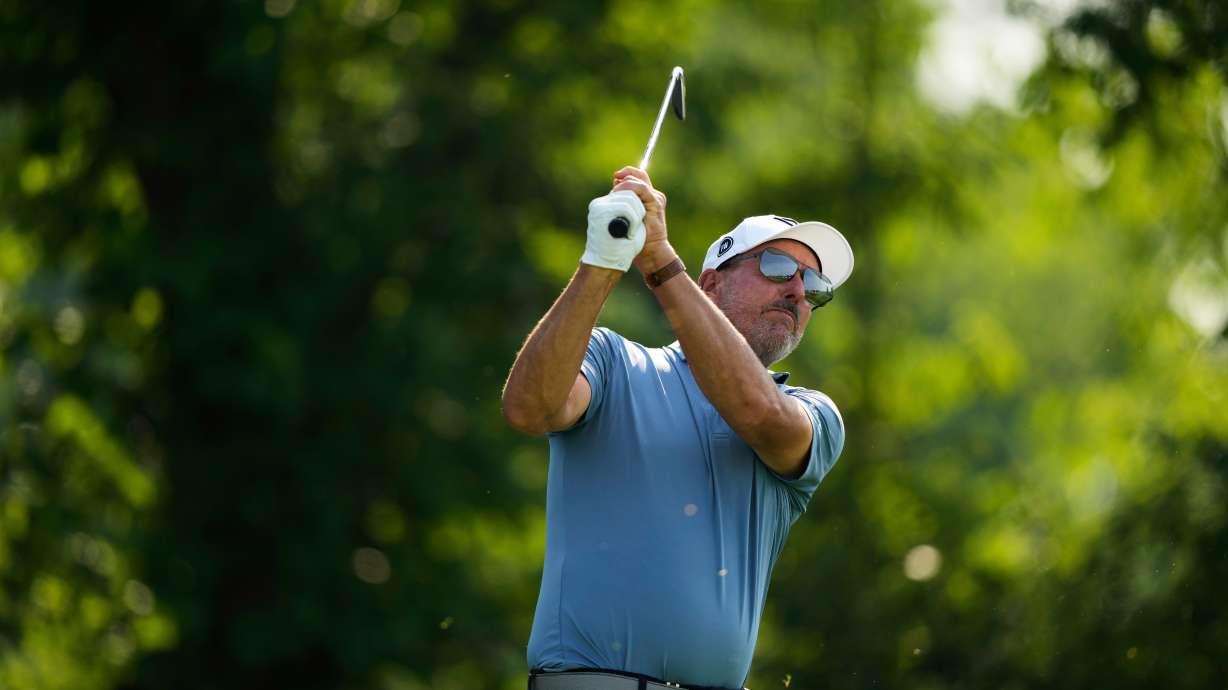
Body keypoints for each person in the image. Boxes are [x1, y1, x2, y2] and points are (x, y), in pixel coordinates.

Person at [501, 167, 853, 690]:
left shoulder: (811, 412)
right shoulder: (613, 361)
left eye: (815, 285)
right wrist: (603, 260)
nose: (799, 292)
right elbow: (530, 408)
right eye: (778, 267)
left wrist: (662, 262)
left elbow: (758, 414)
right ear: (710, 283)